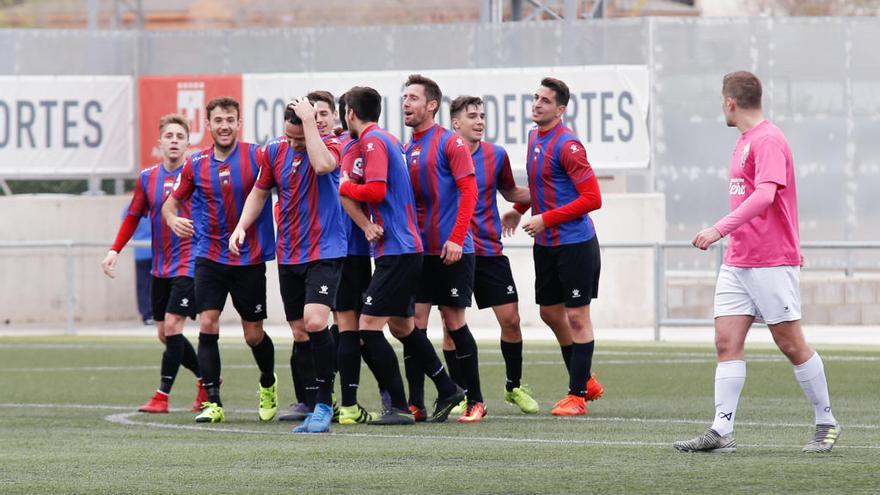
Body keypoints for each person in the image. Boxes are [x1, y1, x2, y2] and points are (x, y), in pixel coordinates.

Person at [674, 71, 840, 454]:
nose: (722, 107)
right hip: (739, 261)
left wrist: (718, 229)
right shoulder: (743, 141)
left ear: (730, 102)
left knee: (791, 344)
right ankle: (721, 431)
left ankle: (826, 422)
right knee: (726, 341)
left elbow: (766, 197)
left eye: (721, 101)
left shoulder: (768, 139)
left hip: (770, 262)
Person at [338, 86, 464, 425]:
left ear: (350, 113)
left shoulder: (374, 141)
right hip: (400, 248)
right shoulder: (389, 139)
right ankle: (448, 387)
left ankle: (396, 406)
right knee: (402, 326)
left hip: (399, 249)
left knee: (368, 327)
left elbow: (376, 189)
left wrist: (345, 185)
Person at [231, 92, 348, 434]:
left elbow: (323, 165)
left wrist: (310, 124)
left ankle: (325, 404)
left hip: (325, 251)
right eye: (291, 137)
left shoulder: (331, 144)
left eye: (300, 138)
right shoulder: (275, 150)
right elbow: (259, 191)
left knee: (315, 322)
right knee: (299, 331)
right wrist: (241, 226)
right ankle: (312, 405)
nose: (295, 144)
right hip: (290, 254)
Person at [162, 96, 278, 424]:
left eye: (230, 120)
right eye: (218, 120)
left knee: (253, 334)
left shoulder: (257, 156)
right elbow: (170, 205)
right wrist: (172, 219)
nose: (224, 126)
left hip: (249, 258)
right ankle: (213, 401)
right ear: (208, 125)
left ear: (238, 124)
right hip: (209, 256)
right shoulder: (195, 164)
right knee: (208, 322)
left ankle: (268, 381)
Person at [502, 77, 604, 417]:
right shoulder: (534, 137)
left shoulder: (568, 145)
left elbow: (593, 198)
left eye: (545, 101)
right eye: (535, 98)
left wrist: (546, 219)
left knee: (577, 316)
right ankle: (584, 378)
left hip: (574, 244)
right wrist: (519, 211)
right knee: (549, 313)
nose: (537, 104)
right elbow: (541, 186)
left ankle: (577, 395)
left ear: (560, 109)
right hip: (545, 243)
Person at [101, 113, 206, 414]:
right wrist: (114, 251)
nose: (174, 141)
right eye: (169, 136)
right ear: (159, 143)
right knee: (164, 333)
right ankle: (207, 382)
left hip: (190, 261)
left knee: (173, 326)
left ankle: (162, 396)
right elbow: (133, 216)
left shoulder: (197, 173)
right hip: (161, 266)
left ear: (188, 143)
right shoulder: (148, 178)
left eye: (180, 137)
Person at [401, 74, 484, 423]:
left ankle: (476, 400)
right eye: (404, 98)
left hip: (453, 250)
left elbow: (470, 192)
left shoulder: (451, 144)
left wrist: (456, 237)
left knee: (453, 324)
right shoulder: (406, 148)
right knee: (412, 325)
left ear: (431, 105)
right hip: (419, 254)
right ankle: (416, 403)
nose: (406, 103)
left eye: (414, 98)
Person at [448, 95, 538, 414]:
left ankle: (513, 387)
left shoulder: (495, 155)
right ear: (456, 123)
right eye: (472, 116)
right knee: (452, 328)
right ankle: (461, 395)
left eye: (482, 115)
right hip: (455, 251)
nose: (480, 121)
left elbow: (511, 191)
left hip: (488, 249)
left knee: (511, 320)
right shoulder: (443, 152)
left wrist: (550, 194)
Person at [132, 214, 154, 325]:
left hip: (144, 251)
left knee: (144, 286)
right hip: (149, 251)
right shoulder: (157, 203)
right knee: (149, 284)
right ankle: (150, 314)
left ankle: (147, 315)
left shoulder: (130, 207)